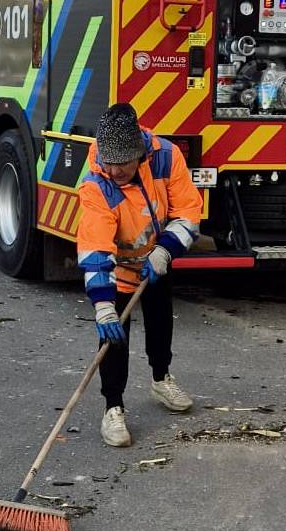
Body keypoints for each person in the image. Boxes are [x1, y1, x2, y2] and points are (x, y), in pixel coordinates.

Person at [77, 103, 203, 447]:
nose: (115, 170)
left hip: (156, 260)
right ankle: (112, 408)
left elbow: (189, 210)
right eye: (109, 162)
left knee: (161, 322)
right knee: (113, 340)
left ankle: (161, 378)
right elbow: (94, 247)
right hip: (118, 268)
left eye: (123, 163)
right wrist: (102, 304)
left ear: (141, 155)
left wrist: (166, 249)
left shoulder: (166, 156)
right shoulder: (96, 186)